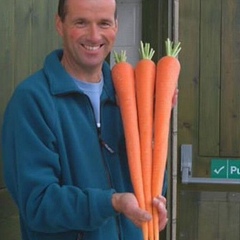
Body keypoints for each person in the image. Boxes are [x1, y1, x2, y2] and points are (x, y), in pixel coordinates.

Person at [1, 0, 176, 239]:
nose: (94, 36)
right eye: (81, 23)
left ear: (116, 26)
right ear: (59, 24)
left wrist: (154, 201)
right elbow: (39, 204)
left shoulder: (130, 96)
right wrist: (111, 203)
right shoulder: (33, 101)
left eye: (104, 23)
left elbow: (149, 184)